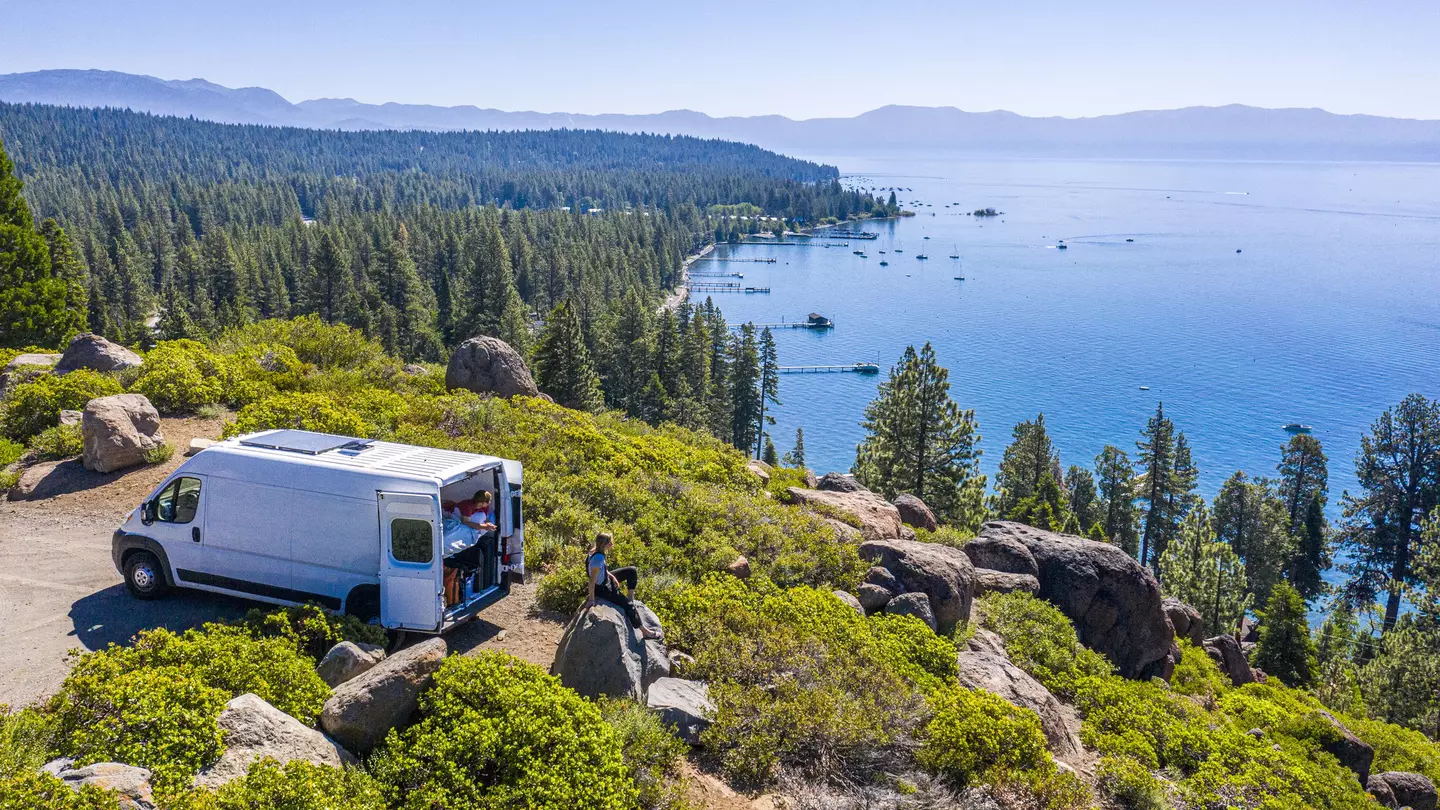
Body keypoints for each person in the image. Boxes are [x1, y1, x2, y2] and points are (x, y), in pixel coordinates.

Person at [585, 532, 660, 638]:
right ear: (604, 544)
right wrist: (591, 599)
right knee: (628, 606)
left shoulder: (594, 551)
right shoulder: (598, 558)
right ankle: (645, 632)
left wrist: (611, 576)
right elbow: (592, 580)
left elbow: (601, 570)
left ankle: (630, 598)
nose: (612, 544)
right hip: (602, 589)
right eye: (610, 542)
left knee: (631, 571)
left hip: (606, 580)